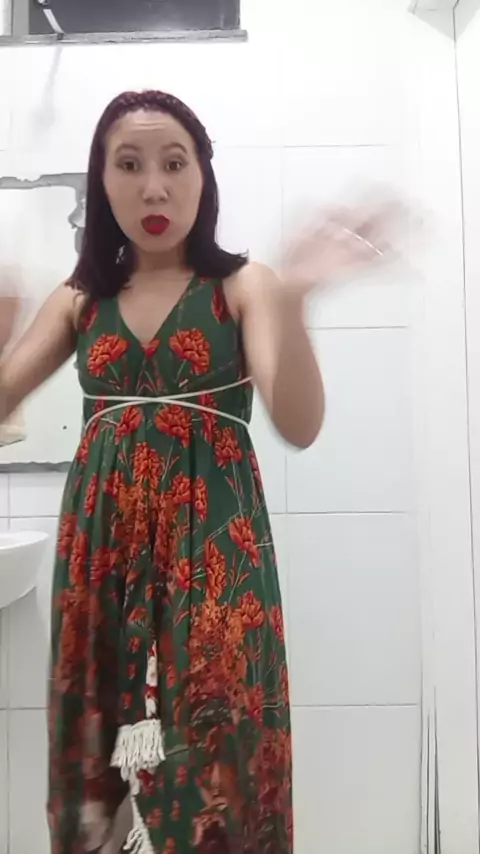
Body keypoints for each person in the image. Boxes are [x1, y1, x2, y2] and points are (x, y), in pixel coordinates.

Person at [0, 90, 395, 854]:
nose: (154, 187)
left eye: (174, 163)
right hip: (102, 565)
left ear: (203, 175)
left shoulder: (244, 286)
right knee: (94, 757)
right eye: (129, 165)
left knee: (219, 752)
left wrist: (295, 299)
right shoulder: (80, 299)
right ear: (102, 180)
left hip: (214, 564)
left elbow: (300, 424)